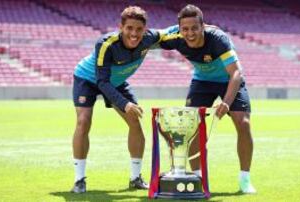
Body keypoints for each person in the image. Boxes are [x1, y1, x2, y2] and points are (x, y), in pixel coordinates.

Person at [71, 6, 175, 193]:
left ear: (145, 30)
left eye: (138, 29)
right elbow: (102, 81)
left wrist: (205, 26)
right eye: (129, 28)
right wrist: (125, 104)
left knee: (135, 120)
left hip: (116, 81)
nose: (134, 34)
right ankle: (79, 180)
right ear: (121, 27)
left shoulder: (149, 38)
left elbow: (172, 30)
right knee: (83, 121)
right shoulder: (106, 43)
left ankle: (135, 178)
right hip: (88, 79)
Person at [159, 4, 256, 194]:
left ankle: (245, 179)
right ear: (179, 29)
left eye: (194, 28)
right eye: (185, 29)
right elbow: (147, 38)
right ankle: (198, 178)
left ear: (203, 27)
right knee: (192, 127)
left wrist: (226, 103)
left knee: (243, 123)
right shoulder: (174, 36)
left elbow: (236, 73)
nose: (190, 33)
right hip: (202, 81)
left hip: (229, 80)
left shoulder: (218, 39)